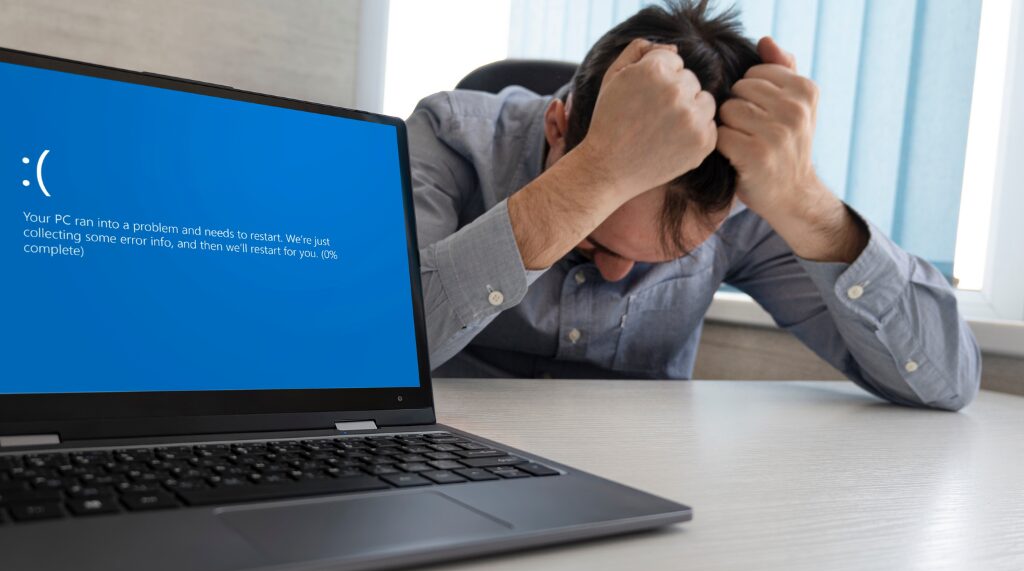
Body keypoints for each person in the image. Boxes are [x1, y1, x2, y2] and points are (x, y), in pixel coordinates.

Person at [406, 0, 980, 410]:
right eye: (594, 236)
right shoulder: (450, 135)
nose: (613, 272)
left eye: (662, 257)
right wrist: (594, 177)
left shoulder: (742, 198)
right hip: (445, 456)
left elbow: (946, 381)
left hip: (646, 484)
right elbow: (363, 356)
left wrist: (806, 203)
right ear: (558, 125)